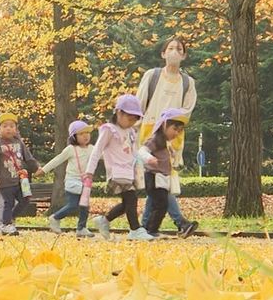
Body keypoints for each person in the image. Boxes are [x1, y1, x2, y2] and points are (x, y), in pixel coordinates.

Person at [137, 36, 199, 238]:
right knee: (158, 183)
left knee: (160, 184)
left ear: (184, 54)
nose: (174, 51)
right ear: (163, 53)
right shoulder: (152, 75)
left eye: (178, 48)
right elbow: (140, 103)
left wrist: (174, 130)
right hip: (150, 133)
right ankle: (176, 222)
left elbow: (187, 111)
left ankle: (146, 228)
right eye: (170, 47)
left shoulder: (188, 83)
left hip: (172, 137)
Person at [84, 95, 152, 240]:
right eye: (130, 118)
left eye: (135, 120)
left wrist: (142, 166)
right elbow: (97, 150)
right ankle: (135, 229)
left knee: (128, 202)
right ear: (119, 112)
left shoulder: (131, 132)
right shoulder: (109, 130)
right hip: (116, 171)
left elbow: (134, 152)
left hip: (129, 171)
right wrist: (90, 171)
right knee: (131, 199)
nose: (132, 122)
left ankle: (104, 220)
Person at [0, 115, 39, 235]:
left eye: (11, 126)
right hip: (4, 181)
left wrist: (36, 168)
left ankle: (9, 220)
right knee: (8, 203)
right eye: (5, 126)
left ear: (16, 129)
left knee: (25, 199)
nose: (8, 129)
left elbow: (28, 158)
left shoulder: (19, 143)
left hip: (20, 180)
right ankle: (6, 225)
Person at [38, 120, 95, 237]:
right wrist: (44, 170)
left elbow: (104, 156)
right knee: (78, 202)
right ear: (74, 137)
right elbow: (58, 159)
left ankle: (81, 227)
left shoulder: (92, 149)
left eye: (87, 133)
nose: (85, 136)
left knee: (81, 205)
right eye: (81, 134)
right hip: (72, 181)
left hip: (85, 182)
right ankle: (55, 217)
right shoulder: (71, 149)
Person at [140, 108, 191, 237]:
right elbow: (141, 151)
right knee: (161, 205)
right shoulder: (155, 140)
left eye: (179, 131)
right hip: (154, 177)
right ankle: (152, 230)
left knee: (153, 203)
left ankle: (145, 228)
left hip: (162, 178)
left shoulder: (165, 143)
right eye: (174, 129)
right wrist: (149, 158)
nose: (176, 133)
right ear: (164, 125)